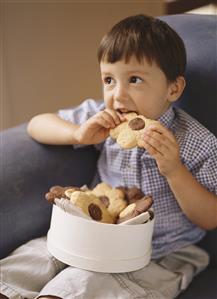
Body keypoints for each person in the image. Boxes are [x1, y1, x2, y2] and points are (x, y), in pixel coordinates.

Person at [1, 14, 217, 299]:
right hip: (95, 231)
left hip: (164, 252)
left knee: (86, 283)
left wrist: (175, 170)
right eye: (109, 80)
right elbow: (37, 124)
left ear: (173, 88)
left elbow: (210, 218)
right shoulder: (104, 120)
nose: (117, 95)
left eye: (135, 80)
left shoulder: (196, 141)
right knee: (36, 255)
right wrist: (78, 134)